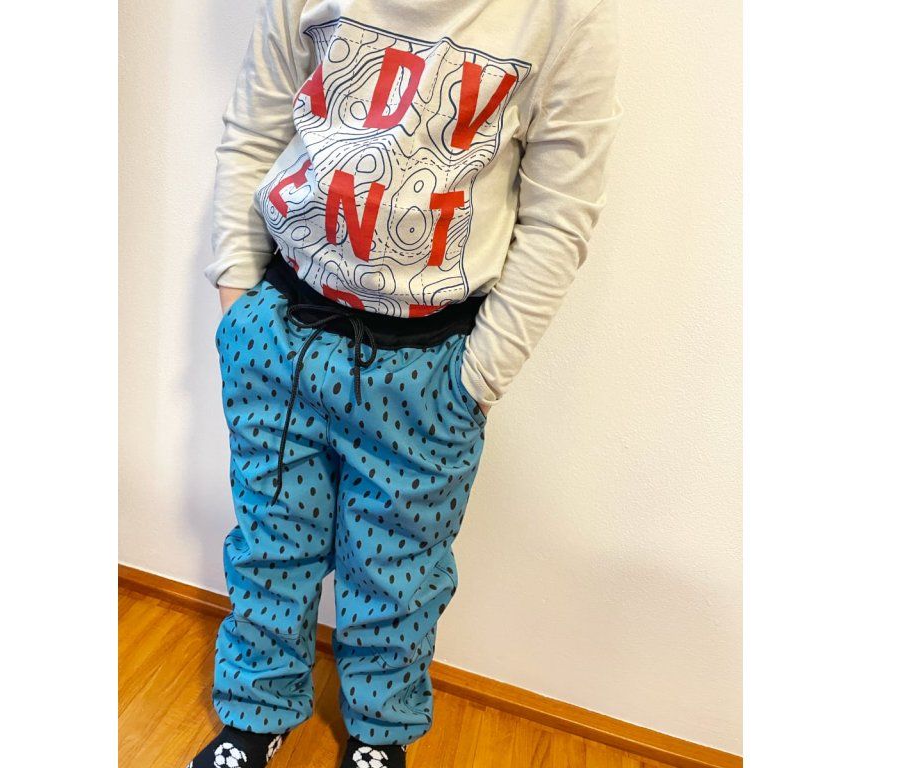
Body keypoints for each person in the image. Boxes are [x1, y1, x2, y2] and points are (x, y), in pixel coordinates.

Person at [189, 0, 621, 765]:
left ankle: (378, 734)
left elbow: (560, 214)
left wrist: (476, 379)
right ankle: (256, 711)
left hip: (428, 368)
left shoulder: (563, 15)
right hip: (283, 334)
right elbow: (255, 128)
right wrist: (236, 308)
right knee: (269, 548)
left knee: (398, 576)